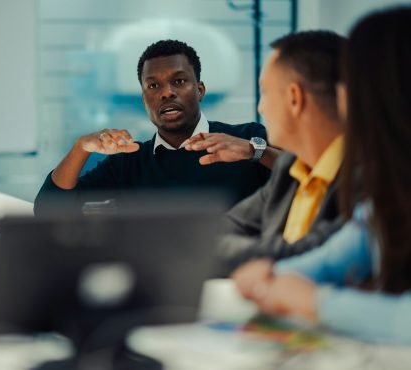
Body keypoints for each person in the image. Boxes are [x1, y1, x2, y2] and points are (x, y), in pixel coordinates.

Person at [232, 6, 411, 344]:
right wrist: (272, 277)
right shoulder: (391, 190)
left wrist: (316, 302)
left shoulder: (361, 175)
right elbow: (337, 257)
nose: (339, 96)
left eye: (350, 82)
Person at [34, 39, 280, 215]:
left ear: (200, 90)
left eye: (179, 81)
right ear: (144, 100)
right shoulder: (129, 161)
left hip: (235, 282)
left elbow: (309, 178)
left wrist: (253, 151)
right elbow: (48, 209)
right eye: (153, 86)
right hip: (161, 283)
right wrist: (81, 147)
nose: (167, 93)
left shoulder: (246, 139)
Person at [212, 30, 347, 277]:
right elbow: (219, 230)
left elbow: (306, 255)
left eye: (265, 92)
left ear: (295, 98)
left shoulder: (369, 177)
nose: (260, 107)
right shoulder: (290, 168)